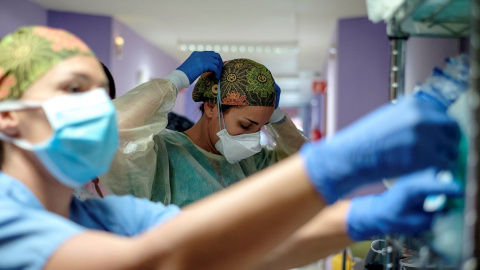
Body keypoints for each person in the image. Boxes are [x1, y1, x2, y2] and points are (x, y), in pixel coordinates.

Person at [0, 26, 463, 270]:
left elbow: (235, 247)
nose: (95, 115)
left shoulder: (102, 217)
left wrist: (363, 218)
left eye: (101, 99)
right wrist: (339, 163)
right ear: (8, 109)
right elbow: (160, 260)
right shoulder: (8, 219)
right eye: (73, 92)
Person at [100, 54, 307, 206]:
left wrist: (277, 118)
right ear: (210, 107)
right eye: (245, 125)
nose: (252, 139)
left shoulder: (248, 162)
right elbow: (112, 133)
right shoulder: (161, 155)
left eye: (259, 128)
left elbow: (304, 162)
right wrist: (175, 80)